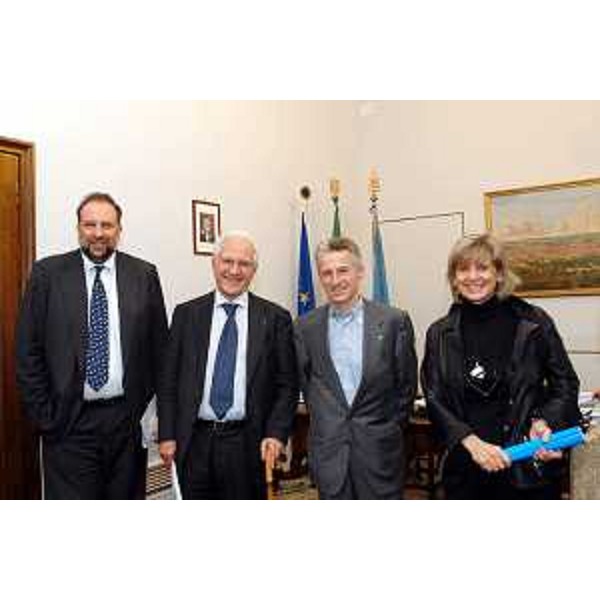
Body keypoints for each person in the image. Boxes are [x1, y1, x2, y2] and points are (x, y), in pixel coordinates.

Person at [16, 192, 168, 499]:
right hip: (68, 424)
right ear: (78, 228)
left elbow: (159, 350)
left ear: (119, 230)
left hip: (125, 424)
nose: (98, 233)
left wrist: (142, 408)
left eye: (107, 225)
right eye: (90, 225)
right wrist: (47, 418)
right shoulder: (48, 275)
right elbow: (27, 351)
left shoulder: (144, 275)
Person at [421, 233, 581, 500]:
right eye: (463, 269)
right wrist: (471, 442)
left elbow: (565, 383)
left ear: (499, 273)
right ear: (454, 278)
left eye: (482, 267)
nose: (473, 277)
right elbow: (435, 397)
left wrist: (544, 421)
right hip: (467, 468)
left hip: (527, 463)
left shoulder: (534, 321)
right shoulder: (439, 333)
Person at [158, 231, 298, 499]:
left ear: (254, 270)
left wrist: (277, 434)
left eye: (244, 264)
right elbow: (168, 381)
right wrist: (167, 434)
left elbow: (287, 385)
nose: (234, 270)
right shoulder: (186, 315)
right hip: (194, 441)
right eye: (227, 261)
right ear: (214, 263)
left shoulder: (276, 318)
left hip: (248, 444)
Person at [295, 237, 418, 499]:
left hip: (379, 454)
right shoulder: (305, 327)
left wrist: (385, 429)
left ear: (360, 272)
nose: (335, 280)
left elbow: (405, 388)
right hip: (330, 456)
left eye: (343, 270)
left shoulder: (394, 321)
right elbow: (309, 385)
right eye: (326, 273)